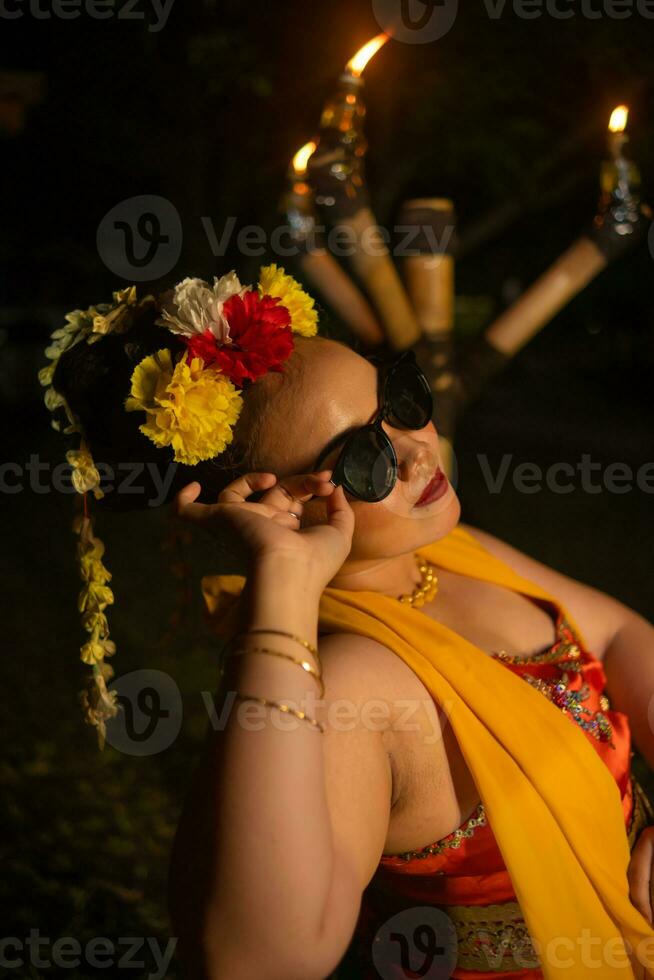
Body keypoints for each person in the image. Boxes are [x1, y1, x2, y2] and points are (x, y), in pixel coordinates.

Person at [43, 270, 654, 979]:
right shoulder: (352, 686)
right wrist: (283, 575)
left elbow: (616, 635)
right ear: (275, 505)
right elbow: (257, 960)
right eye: (366, 457)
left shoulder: (453, 554)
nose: (419, 447)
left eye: (399, 401)